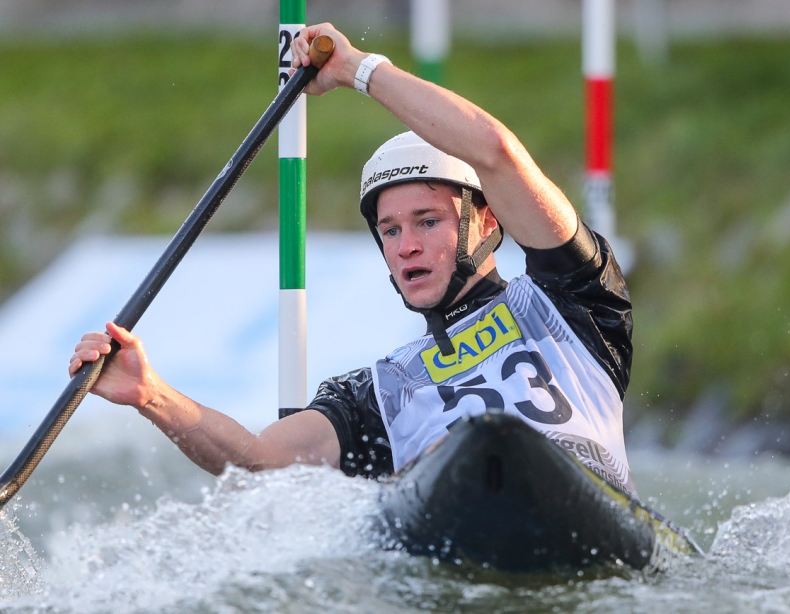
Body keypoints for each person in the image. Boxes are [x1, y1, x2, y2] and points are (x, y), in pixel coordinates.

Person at [70, 23, 636, 494]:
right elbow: (261, 461)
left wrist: (357, 69)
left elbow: (497, 154)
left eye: (427, 221)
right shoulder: (380, 393)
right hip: (458, 518)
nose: (405, 245)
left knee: (485, 442)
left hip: (579, 502)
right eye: (389, 231)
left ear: (487, 222)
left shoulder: (573, 299)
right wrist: (151, 394)